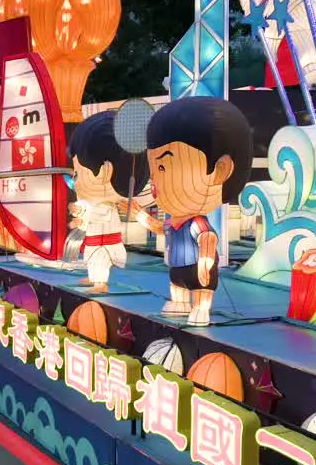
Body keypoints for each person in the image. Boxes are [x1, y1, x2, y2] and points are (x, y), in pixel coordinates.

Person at [129, 97, 252, 326]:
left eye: (164, 167)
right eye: (155, 170)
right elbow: (158, 228)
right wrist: (139, 215)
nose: (155, 182)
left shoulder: (197, 222)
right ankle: (180, 304)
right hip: (177, 266)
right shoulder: (174, 221)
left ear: (219, 171)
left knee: (202, 287)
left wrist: (206, 263)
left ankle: (201, 309)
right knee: (177, 284)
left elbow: (208, 238)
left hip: (197, 266)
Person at [66, 111, 151, 293]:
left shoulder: (105, 208)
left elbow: (93, 213)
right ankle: (93, 278)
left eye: (79, 173)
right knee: (91, 258)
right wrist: (79, 222)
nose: (76, 180)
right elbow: (87, 217)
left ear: (105, 172)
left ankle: (100, 283)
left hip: (106, 243)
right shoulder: (95, 205)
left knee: (100, 260)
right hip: (95, 240)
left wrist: (79, 212)